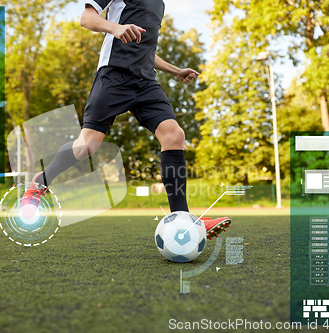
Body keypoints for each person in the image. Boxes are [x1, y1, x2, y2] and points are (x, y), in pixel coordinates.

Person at [21, 0, 231, 238]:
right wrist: (115, 27)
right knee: (86, 147)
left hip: (146, 83)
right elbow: (87, 18)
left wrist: (175, 70)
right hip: (113, 76)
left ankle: (183, 219)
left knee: (174, 135)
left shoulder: (158, 5)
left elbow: (146, 53)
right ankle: (42, 179)